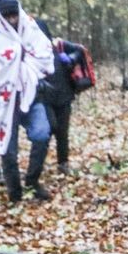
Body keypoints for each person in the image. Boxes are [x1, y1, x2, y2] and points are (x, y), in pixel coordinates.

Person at [0, 0, 55, 204]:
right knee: (8, 151)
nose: (12, 21)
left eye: (14, 15)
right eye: (7, 17)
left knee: (42, 135)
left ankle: (32, 181)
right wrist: (13, 56)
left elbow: (43, 52)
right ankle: (15, 193)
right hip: (1, 100)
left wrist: (27, 66)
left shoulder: (28, 25)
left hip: (30, 93)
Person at [36, 19, 84, 176]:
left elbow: (81, 51)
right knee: (49, 129)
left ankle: (63, 164)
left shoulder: (58, 45)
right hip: (44, 99)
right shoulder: (30, 51)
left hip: (64, 96)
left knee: (62, 132)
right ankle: (38, 166)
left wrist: (70, 58)